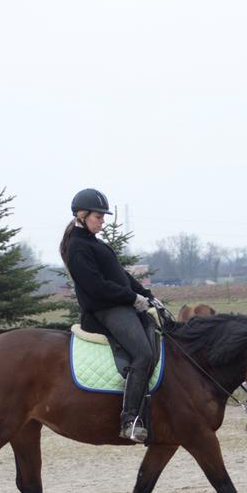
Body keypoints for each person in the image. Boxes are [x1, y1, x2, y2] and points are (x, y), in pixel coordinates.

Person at [60, 188, 157, 442]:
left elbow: (121, 276)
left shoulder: (95, 243)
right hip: (103, 311)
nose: (102, 222)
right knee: (143, 354)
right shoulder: (77, 247)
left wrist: (146, 294)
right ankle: (130, 419)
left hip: (119, 305)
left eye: (103, 218)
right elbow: (96, 287)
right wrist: (131, 298)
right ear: (81, 215)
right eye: (98, 217)